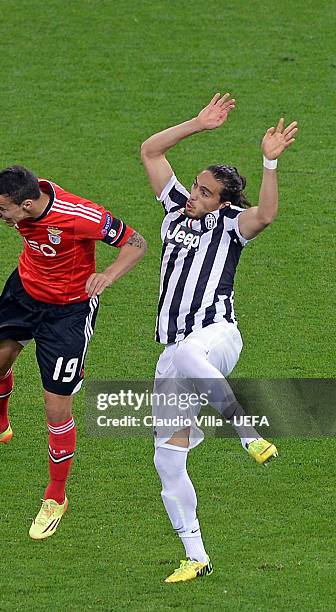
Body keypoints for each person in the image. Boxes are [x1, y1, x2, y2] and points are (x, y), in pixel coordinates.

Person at [140, 93, 297, 583]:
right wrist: (198, 124)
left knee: (189, 352)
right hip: (176, 356)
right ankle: (196, 556)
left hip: (215, 338)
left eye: (206, 192)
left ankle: (247, 432)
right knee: (167, 459)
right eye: (197, 185)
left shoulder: (231, 225)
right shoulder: (173, 208)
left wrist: (269, 162)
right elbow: (150, 151)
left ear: (223, 202)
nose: (194, 194)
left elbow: (266, 216)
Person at [0, 165, 147, 539]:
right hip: (23, 293)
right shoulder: (29, 196)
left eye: (1, 209)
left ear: (25, 204)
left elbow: (136, 243)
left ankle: (56, 496)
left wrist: (108, 276)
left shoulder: (78, 216)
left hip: (68, 314)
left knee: (56, 410)